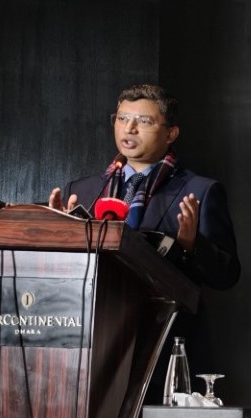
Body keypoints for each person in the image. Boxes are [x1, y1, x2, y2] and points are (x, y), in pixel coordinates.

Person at [49, 84, 239, 290]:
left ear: (171, 134)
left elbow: (227, 275)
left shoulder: (200, 191)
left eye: (144, 121)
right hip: (93, 306)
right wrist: (59, 234)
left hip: (162, 308)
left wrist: (192, 245)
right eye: (122, 118)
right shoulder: (81, 191)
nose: (129, 128)